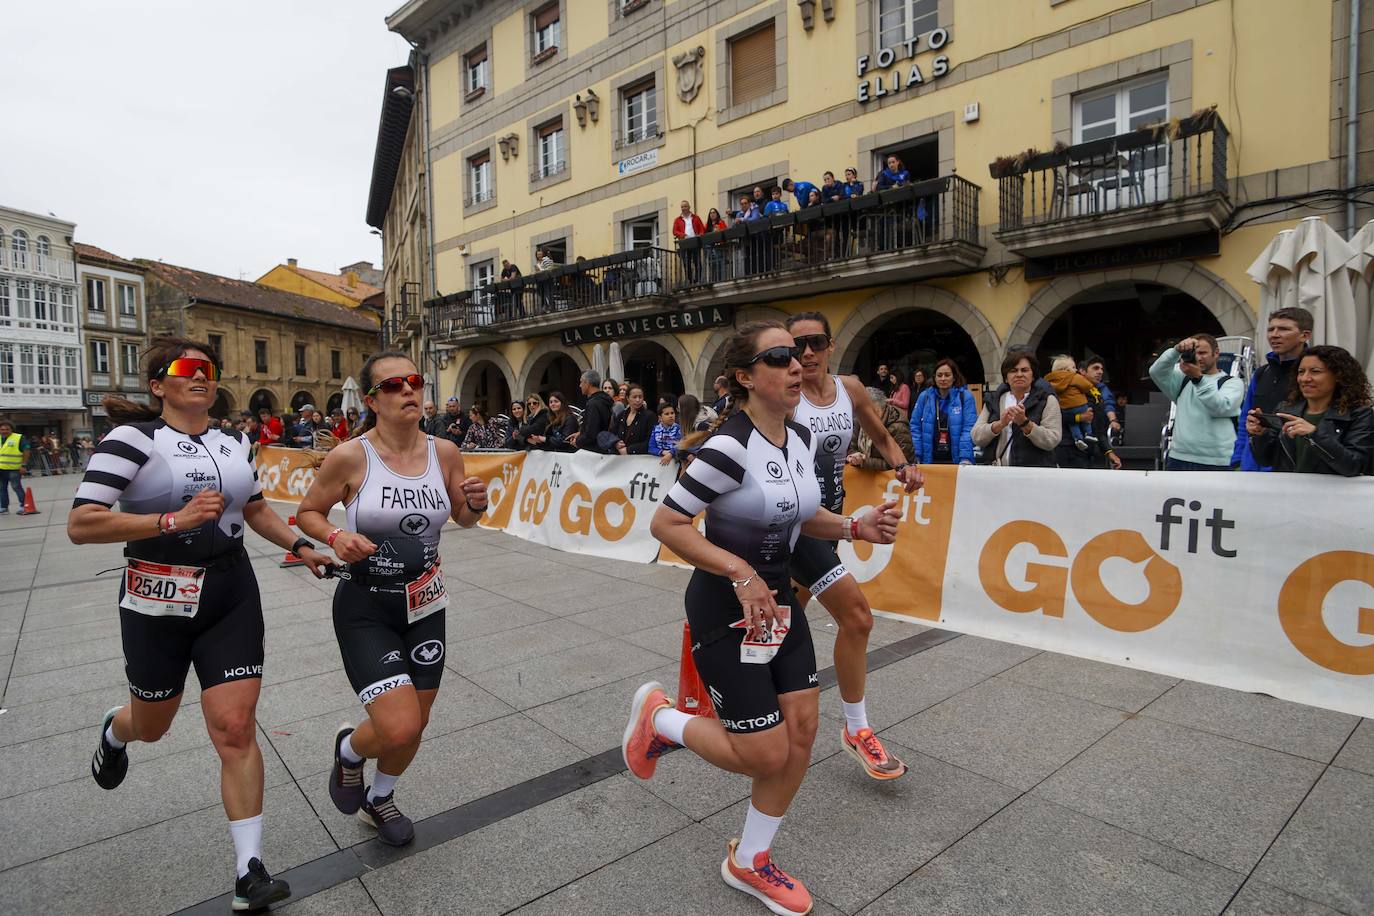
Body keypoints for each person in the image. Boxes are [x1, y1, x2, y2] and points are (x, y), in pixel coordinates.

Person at [624, 321, 901, 916]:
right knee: (762, 754)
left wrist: (855, 526)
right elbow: (667, 525)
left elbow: (802, 518)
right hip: (727, 607)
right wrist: (740, 573)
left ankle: (749, 860)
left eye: (800, 353)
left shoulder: (796, 436)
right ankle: (661, 719)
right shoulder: (727, 446)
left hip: (776, 603)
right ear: (746, 378)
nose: (797, 361)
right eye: (780, 355)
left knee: (800, 735)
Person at [69, 337, 332, 911]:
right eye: (187, 369)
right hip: (156, 593)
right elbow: (83, 524)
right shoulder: (131, 440)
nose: (201, 377)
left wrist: (302, 544)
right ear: (158, 384)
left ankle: (250, 870)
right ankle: (117, 731)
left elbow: (255, 509)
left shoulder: (235, 440)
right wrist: (170, 518)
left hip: (229, 591)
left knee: (235, 728)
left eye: (209, 369)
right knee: (153, 723)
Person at [296, 351, 488, 849]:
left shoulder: (444, 451)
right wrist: (336, 538)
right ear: (373, 399)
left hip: (425, 603)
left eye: (415, 382)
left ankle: (379, 798)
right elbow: (308, 513)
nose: (408, 391)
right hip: (366, 605)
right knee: (398, 727)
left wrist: (477, 504)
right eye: (394, 385)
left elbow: (464, 518)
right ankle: (350, 750)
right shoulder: (351, 456)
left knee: (416, 724)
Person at [786, 312, 922, 778]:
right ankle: (857, 728)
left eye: (816, 343)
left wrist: (903, 465)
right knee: (858, 618)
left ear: (830, 344)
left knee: (782, 619)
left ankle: (716, 689)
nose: (807, 353)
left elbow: (880, 434)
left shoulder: (852, 389)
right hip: (795, 529)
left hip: (827, 527)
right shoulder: (784, 396)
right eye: (798, 344)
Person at [1246, 344, 1374, 475]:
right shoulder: (1286, 409)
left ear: (1339, 376)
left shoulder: (1359, 414)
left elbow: (1355, 465)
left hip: (1333, 494)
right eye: (1301, 372)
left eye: (1315, 371)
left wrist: (1314, 435)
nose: (1305, 379)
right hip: (1288, 492)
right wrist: (1260, 435)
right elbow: (1265, 460)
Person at [1234, 306, 1313, 470]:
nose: (1274, 335)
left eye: (1283, 329)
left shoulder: (1314, 375)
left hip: (1292, 466)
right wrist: (1237, 459)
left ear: (1304, 335)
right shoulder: (1262, 373)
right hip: (1253, 466)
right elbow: (1245, 419)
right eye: (1271, 329)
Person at [1150, 333, 1244, 471]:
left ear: (1216, 353)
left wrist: (1198, 379)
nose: (1198, 358)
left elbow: (1220, 408)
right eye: (1194, 353)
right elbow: (1156, 371)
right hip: (1179, 457)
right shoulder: (1183, 379)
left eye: (1203, 353)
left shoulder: (1233, 383)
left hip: (1217, 461)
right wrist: (1176, 351)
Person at [971, 350, 1063, 467]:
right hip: (998, 474)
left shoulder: (1047, 400)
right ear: (1006, 378)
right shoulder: (994, 399)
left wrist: (1025, 424)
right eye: (1013, 371)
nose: (1019, 374)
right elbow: (976, 436)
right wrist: (1000, 424)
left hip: (1034, 475)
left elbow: (1052, 439)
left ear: (1033, 375)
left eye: (1024, 370)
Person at [911, 358, 978, 465]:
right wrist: (916, 455)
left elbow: (969, 429)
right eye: (939, 375)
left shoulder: (965, 397)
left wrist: (965, 457)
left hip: (957, 460)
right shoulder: (925, 397)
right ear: (934, 378)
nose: (943, 378)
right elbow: (915, 427)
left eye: (947, 375)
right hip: (929, 459)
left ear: (954, 377)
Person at [848, 388, 915, 469]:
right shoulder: (859, 419)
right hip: (863, 477)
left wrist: (865, 461)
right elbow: (851, 447)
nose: (869, 417)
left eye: (874, 412)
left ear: (883, 408)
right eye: (865, 412)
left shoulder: (898, 426)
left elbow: (903, 464)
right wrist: (855, 457)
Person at [1045, 355, 1098, 451]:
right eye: (1073, 367)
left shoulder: (1049, 382)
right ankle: (1088, 434)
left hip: (1064, 409)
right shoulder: (1074, 377)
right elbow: (1086, 386)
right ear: (1066, 369)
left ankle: (1078, 438)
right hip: (1079, 404)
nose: (1076, 369)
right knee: (1085, 419)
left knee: (1073, 425)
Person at [575, 370, 615, 452]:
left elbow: (591, 433)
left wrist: (577, 441)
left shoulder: (593, 404)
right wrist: (580, 433)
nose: (580, 385)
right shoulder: (605, 399)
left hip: (594, 451)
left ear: (587, 383)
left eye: (581, 382)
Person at [1081, 358, 1120, 440]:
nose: (1100, 372)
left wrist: (1113, 420)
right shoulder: (1074, 388)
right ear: (1082, 371)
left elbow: (1108, 403)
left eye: (1102, 369)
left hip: (1098, 435)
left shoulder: (1102, 387)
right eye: (1095, 368)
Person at [0, 420, 32, 514]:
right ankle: (4, 507)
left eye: (7, 429)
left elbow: (26, 450)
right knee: (2, 489)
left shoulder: (19, 437)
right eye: (2, 429)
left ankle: (24, 505)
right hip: (1, 468)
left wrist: (23, 465)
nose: (4, 431)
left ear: (11, 429)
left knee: (16, 487)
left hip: (14, 468)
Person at [613, 385, 654, 455]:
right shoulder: (621, 415)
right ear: (628, 398)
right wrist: (616, 443)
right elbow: (613, 433)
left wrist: (628, 450)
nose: (638, 400)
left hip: (640, 460)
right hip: (620, 460)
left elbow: (651, 441)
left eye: (640, 397)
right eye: (634, 397)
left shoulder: (650, 416)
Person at [673, 200, 706, 284]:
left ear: (689, 207)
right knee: (686, 263)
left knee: (697, 261)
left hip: (695, 242)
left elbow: (702, 229)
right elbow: (675, 231)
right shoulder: (678, 220)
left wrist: (700, 234)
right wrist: (683, 234)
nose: (683, 208)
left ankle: (698, 279)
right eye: (682, 207)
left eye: (685, 206)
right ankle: (690, 280)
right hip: (685, 243)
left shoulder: (695, 217)